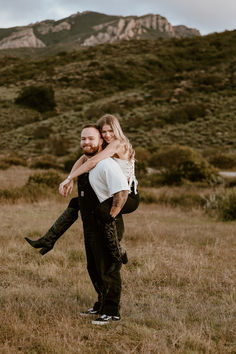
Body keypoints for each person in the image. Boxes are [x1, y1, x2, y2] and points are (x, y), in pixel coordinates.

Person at [25, 115, 139, 261]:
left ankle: (118, 251)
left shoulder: (117, 143)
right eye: (103, 132)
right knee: (76, 202)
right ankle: (48, 240)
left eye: (110, 130)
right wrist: (71, 178)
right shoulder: (106, 145)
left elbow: (93, 161)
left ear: (116, 129)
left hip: (128, 196)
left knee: (102, 212)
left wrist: (68, 178)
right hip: (114, 193)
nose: (107, 135)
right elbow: (83, 159)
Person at [73, 124, 129, 324]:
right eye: (83, 139)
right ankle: (101, 304)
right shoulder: (88, 165)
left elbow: (122, 193)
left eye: (91, 139)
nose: (86, 142)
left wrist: (109, 219)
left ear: (101, 142)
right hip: (89, 226)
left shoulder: (106, 164)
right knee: (94, 267)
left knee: (108, 268)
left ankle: (112, 311)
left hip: (106, 223)